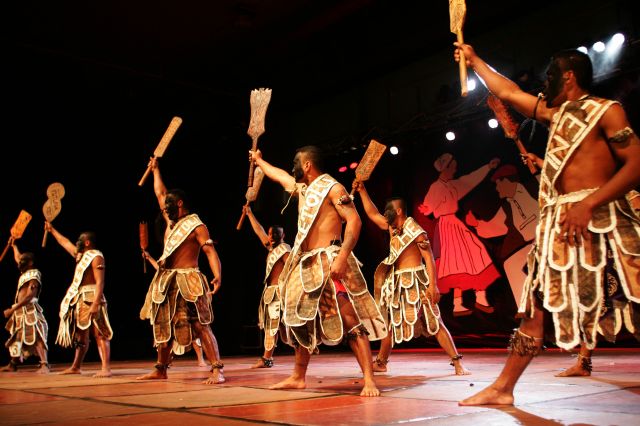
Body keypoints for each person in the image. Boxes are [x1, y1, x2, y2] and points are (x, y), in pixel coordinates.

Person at [453, 42, 640, 406]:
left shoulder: (607, 112)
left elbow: (635, 165)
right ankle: (504, 388)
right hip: (558, 224)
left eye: (551, 74)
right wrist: (475, 61)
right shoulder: (556, 115)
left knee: (632, 297)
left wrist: (589, 202)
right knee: (535, 305)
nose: (545, 81)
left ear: (568, 76)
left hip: (600, 221)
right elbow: (507, 92)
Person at [249, 145, 387, 397]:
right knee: (301, 319)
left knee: (349, 318)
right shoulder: (304, 190)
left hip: (329, 258)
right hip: (306, 264)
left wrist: (343, 256)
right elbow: (280, 176)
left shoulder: (333, 188)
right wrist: (259, 161)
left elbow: (354, 221)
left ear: (307, 165)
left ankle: (369, 379)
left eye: (295, 163)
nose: (293, 168)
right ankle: (298, 377)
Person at [352, 182, 470, 375]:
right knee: (388, 323)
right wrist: (363, 191)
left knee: (435, 322)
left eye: (388, 210)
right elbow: (373, 215)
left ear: (398, 211)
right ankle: (381, 362)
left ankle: (457, 363)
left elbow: (429, 259)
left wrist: (433, 286)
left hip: (416, 281)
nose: (385, 213)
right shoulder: (392, 228)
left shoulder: (415, 230)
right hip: (397, 283)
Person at [138, 157, 225, 384]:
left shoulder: (196, 225)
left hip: (189, 280)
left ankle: (217, 369)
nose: (164, 208)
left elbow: (209, 252)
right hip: (167, 281)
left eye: (168, 205)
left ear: (179, 203)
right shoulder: (171, 223)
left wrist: (217, 275)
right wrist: (156, 170)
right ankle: (161, 369)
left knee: (199, 324)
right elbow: (160, 194)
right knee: (163, 325)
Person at [418, 152, 502, 316]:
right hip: (446, 227)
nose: (455, 170)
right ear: (446, 168)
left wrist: (488, 167)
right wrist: (427, 208)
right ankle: (459, 303)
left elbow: (470, 180)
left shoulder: (452, 185)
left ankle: (480, 297)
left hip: (455, 224)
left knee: (475, 254)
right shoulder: (437, 186)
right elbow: (429, 205)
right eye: (453, 167)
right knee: (455, 262)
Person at [465, 164, 539, 309]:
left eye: (499, 184)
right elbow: (494, 227)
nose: (497, 189)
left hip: (551, 238)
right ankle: (525, 309)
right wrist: (476, 224)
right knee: (511, 265)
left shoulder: (532, 187)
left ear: (507, 181)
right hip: (533, 245)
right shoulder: (507, 206)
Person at [45, 223, 113, 378]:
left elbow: (100, 282)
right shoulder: (81, 257)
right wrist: (52, 229)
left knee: (100, 333)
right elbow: (65, 242)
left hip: (93, 296)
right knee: (81, 336)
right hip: (80, 298)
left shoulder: (96, 256)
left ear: (87, 242)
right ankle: (76, 366)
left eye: (80, 240)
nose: (77, 243)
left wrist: (96, 303)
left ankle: (105, 368)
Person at [242, 205, 291, 369]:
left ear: (283, 235)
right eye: (270, 234)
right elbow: (259, 231)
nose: (270, 236)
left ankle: (267, 358)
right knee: (274, 327)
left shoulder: (284, 250)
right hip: (270, 292)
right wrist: (249, 214)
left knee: (275, 326)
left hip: (279, 292)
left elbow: (291, 268)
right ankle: (267, 358)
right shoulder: (272, 248)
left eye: (275, 234)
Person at [141, 250, 207, 368]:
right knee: (165, 332)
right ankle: (165, 362)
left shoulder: (181, 263)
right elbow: (159, 270)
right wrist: (150, 258)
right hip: (165, 298)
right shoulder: (165, 264)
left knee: (192, 328)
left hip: (182, 295)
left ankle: (201, 359)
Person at [1, 241, 49, 373]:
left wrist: (12, 309)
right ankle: (13, 364)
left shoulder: (34, 274)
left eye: (23, 260)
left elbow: (30, 295)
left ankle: (44, 364)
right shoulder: (24, 273)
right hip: (20, 311)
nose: (20, 262)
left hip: (30, 310)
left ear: (31, 263)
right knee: (16, 336)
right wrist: (13, 246)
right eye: (20, 260)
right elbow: (17, 257)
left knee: (37, 335)